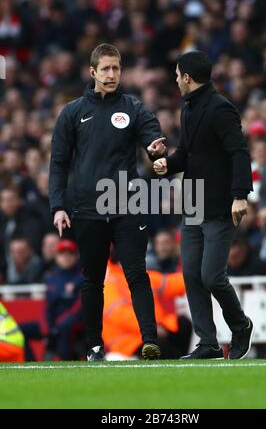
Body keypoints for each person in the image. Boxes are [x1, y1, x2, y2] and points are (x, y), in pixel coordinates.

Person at [49, 43, 166, 361]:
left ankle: (149, 342)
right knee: (93, 279)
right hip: (88, 207)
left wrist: (157, 155)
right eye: (106, 69)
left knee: (136, 273)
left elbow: (153, 141)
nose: (112, 74)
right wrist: (58, 205)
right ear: (93, 72)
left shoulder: (134, 108)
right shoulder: (73, 112)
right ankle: (94, 346)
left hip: (128, 203)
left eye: (116, 68)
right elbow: (58, 163)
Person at [154, 51, 254, 359]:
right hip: (193, 204)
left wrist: (240, 195)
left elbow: (239, 151)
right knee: (192, 275)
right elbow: (185, 153)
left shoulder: (220, 108)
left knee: (211, 275)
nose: (174, 79)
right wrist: (165, 165)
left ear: (186, 77)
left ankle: (240, 326)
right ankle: (207, 342)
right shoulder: (189, 108)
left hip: (220, 205)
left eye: (176, 74)